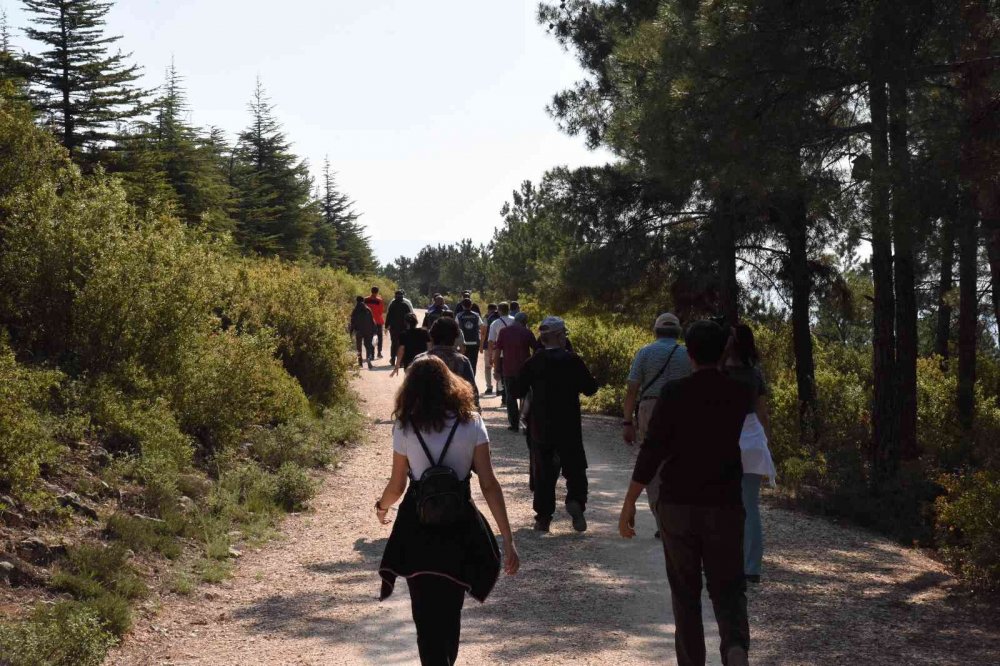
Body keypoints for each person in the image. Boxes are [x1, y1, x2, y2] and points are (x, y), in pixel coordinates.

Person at [618, 320, 752, 666]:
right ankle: (735, 647)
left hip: (677, 504)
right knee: (729, 587)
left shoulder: (674, 392)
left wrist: (631, 500)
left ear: (688, 353)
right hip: (724, 503)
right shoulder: (739, 393)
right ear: (723, 351)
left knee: (685, 593)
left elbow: (652, 451)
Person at [376, 356, 519, 666]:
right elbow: (490, 485)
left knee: (424, 614)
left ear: (411, 388)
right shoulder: (471, 422)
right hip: (460, 526)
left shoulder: (405, 426)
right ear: (450, 383)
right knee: (450, 611)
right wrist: (507, 538)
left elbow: (398, 485)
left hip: (417, 526)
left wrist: (382, 507)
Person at [510, 316, 597, 532]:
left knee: (543, 473)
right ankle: (575, 502)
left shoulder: (534, 362)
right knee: (575, 469)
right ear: (560, 336)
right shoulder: (572, 360)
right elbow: (590, 388)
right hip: (569, 426)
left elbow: (516, 391)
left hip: (541, 427)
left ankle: (543, 517)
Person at [622, 313, 692, 533]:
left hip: (650, 408)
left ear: (656, 331)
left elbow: (632, 389)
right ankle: (679, 514)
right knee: (681, 461)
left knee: (653, 463)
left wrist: (627, 422)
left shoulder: (645, 353)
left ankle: (662, 518)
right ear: (678, 332)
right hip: (683, 410)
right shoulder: (687, 354)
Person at [724, 324, 777, 585]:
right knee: (750, 506)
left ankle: (724, 561)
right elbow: (763, 413)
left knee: (722, 504)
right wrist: (767, 444)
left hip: (726, 439)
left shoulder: (721, 373)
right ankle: (752, 567)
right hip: (753, 441)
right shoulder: (755, 375)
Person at [414, 317, 480, 408]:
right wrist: (477, 412)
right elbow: (472, 390)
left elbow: (411, 391)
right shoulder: (462, 361)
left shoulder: (420, 359)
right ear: (456, 337)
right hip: (455, 413)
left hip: (425, 414)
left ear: (431, 335)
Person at [493, 312, 537, 432]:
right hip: (525, 370)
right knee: (526, 396)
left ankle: (514, 425)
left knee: (510, 397)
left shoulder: (504, 332)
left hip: (508, 369)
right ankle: (525, 423)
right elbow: (537, 350)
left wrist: (496, 368)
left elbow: (497, 352)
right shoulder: (527, 332)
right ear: (524, 322)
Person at [487, 302, 515, 405]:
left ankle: (505, 399)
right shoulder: (515, 320)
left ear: (499, 310)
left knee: (503, 376)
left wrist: (491, 356)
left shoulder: (495, 323)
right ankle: (513, 397)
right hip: (515, 352)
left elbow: (491, 341)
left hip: (501, 354)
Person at [456, 298, 486, 376]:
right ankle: (472, 380)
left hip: (463, 343)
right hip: (474, 343)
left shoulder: (459, 315)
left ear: (462, 306)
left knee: (462, 362)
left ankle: (463, 379)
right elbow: (482, 327)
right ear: (471, 305)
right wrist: (481, 342)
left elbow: (456, 328)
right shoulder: (476, 315)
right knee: (473, 363)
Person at [385, 289, 415, 366]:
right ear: (402, 297)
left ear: (395, 297)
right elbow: (410, 316)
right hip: (403, 328)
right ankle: (401, 361)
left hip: (394, 328)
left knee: (394, 343)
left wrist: (386, 326)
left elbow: (388, 316)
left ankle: (392, 359)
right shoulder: (405, 305)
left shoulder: (392, 305)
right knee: (402, 344)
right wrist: (411, 326)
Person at [349, 295, 376, 370]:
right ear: (363, 301)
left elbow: (352, 322)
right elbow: (372, 321)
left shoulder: (355, 310)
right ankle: (368, 358)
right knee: (368, 346)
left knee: (359, 347)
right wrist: (374, 331)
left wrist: (351, 332)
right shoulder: (368, 309)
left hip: (359, 331)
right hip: (368, 331)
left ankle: (360, 362)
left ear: (356, 301)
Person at [482, 303, 500, 395]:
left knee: (488, 367)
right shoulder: (501, 317)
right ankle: (499, 387)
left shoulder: (487, 318)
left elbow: (484, 333)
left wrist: (481, 345)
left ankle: (489, 387)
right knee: (498, 367)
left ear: (489, 309)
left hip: (488, 345)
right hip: (499, 346)